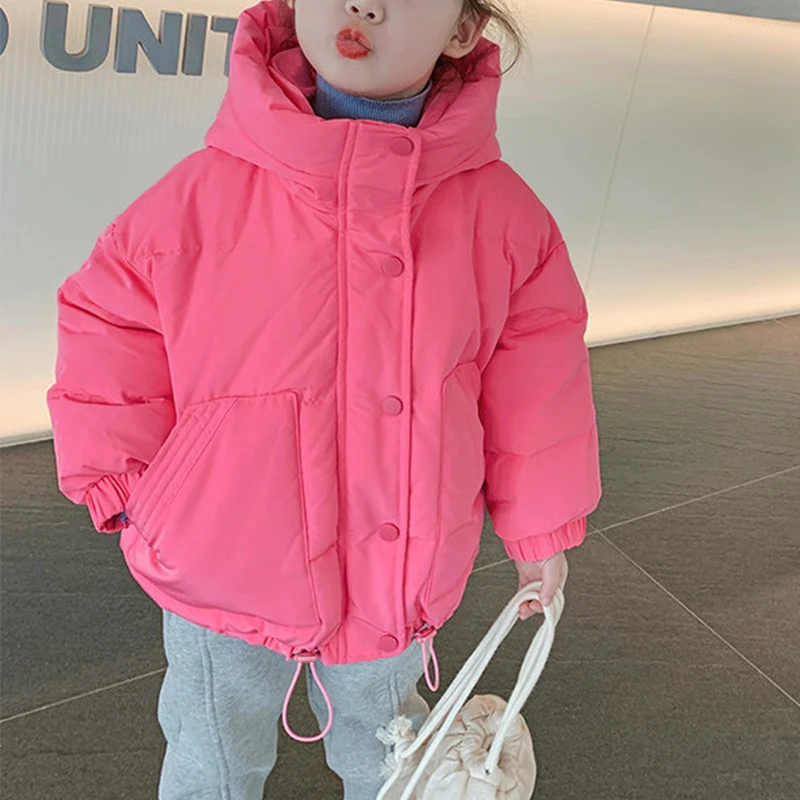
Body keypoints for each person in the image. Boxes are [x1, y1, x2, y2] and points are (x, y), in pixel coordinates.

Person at [46, 1, 602, 798]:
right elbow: (108, 319)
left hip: (397, 571)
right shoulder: (202, 194)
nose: (362, 5)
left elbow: (538, 378)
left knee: (388, 755)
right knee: (212, 756)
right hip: (221, 563)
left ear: (462, 30)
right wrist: (129, 486)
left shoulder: (503, 216)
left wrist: (541, 527)